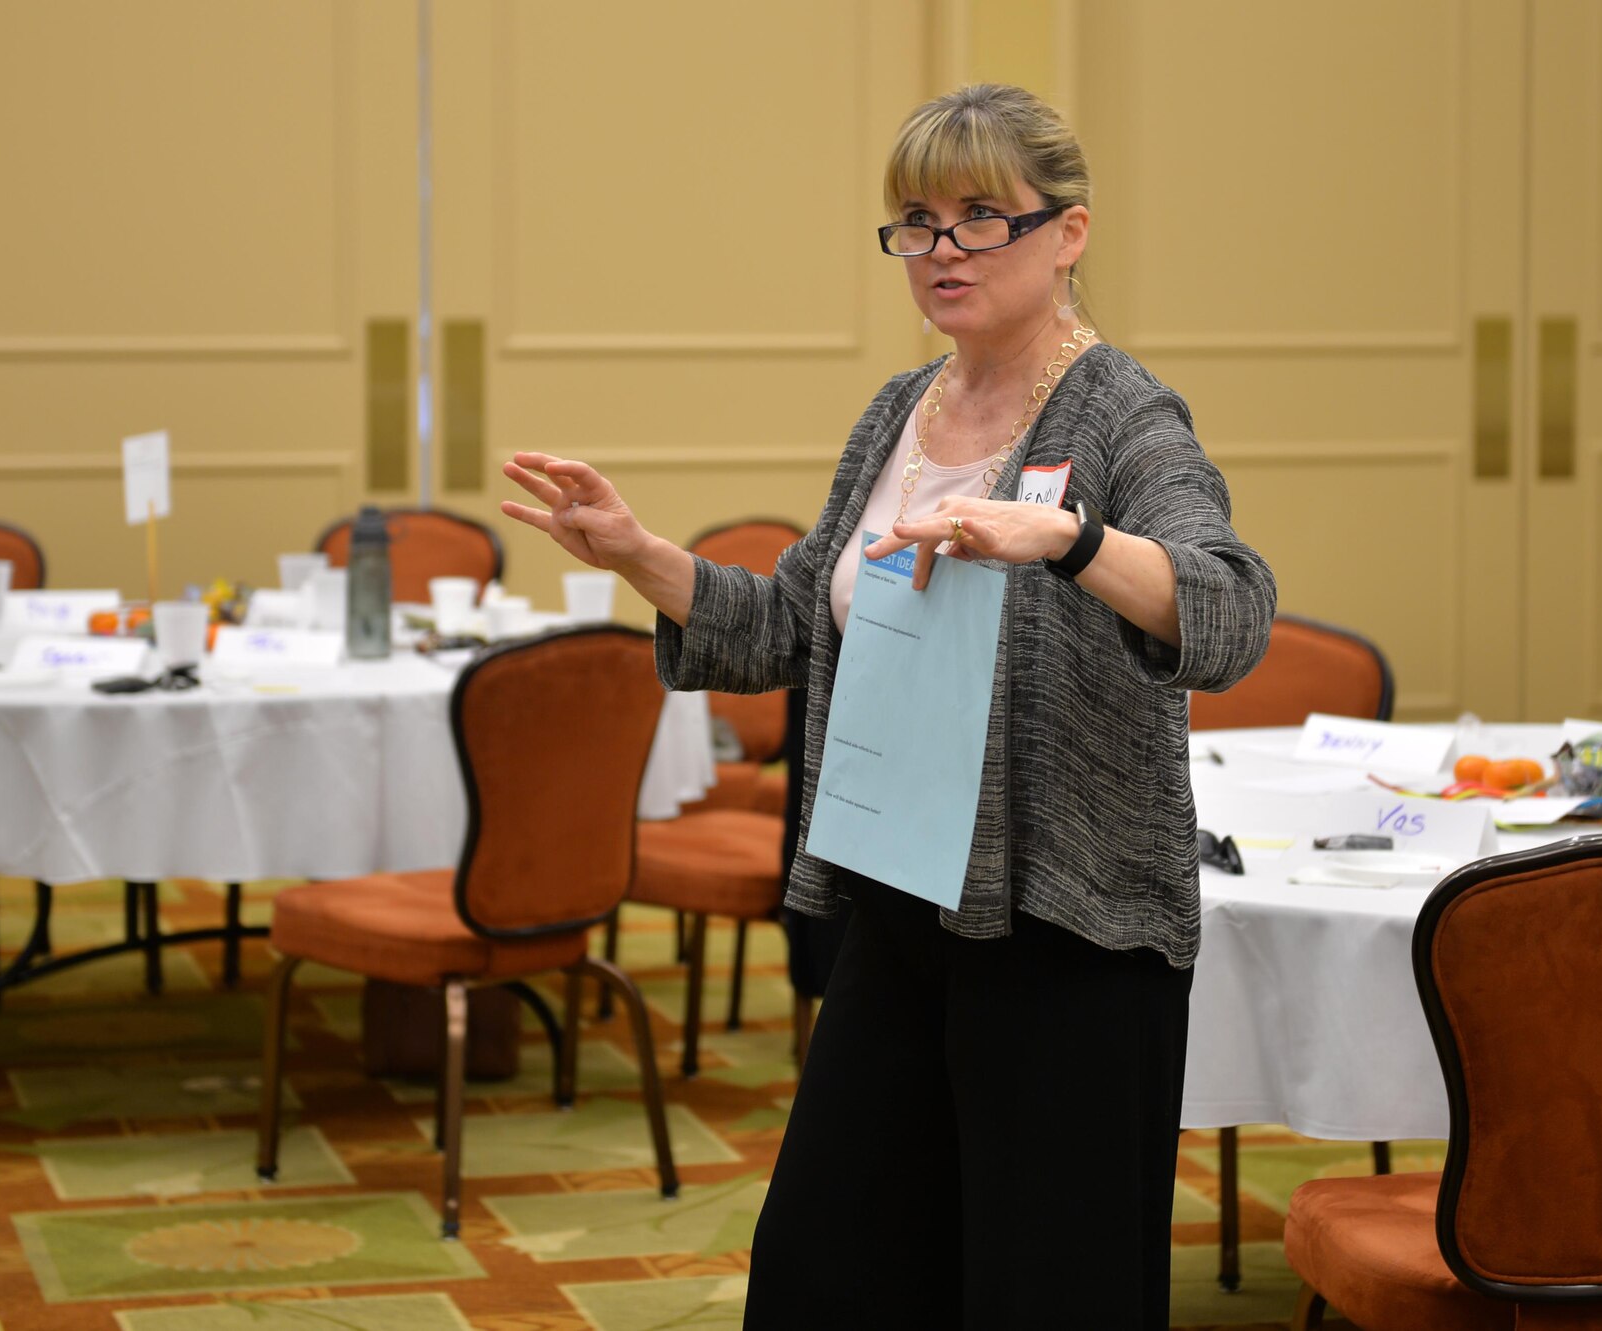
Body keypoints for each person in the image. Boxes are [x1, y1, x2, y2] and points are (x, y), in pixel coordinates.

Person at [501, 83, 1275, 1330]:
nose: (939, 251)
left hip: (1064, 921)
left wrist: (1068, 540)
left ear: (1066, 233)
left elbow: (1228, 614)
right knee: (827, 1265)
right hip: (897, 894)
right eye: (914, 222)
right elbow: (794, 624)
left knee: (1040, 1286)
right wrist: (638, 553)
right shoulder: (900, 413)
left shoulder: (1124, 414)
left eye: (979, 218)